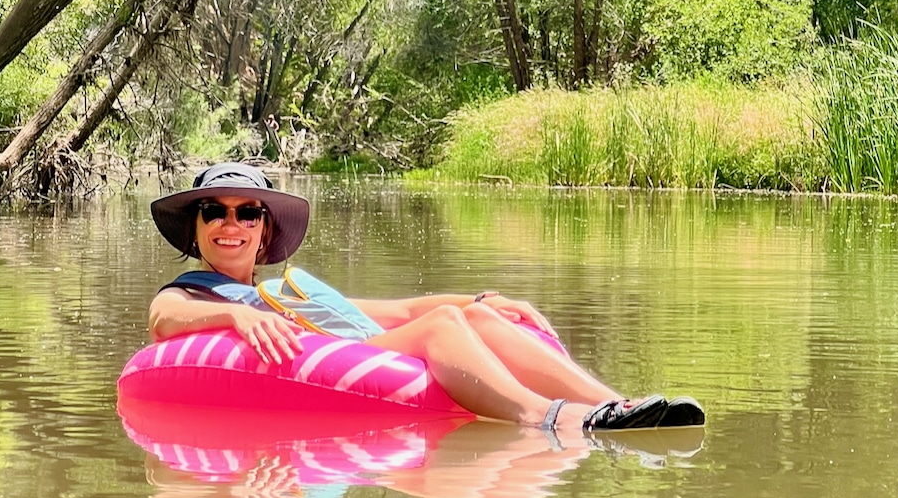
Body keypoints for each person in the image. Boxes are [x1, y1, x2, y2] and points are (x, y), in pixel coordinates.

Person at [148, 163, 704, 433]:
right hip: (322, 367)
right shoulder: (199, 290)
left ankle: (617, 404)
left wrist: (482, 297)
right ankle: (550, 420)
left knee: (468, 317)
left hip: (354, 350)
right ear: (195, 228)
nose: (231, 224)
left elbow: (400, 309)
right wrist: (234, 318)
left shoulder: (284, 291)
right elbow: (163, 316)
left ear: (264, 229)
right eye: (213, 211)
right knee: (442, 326)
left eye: (247, 212)